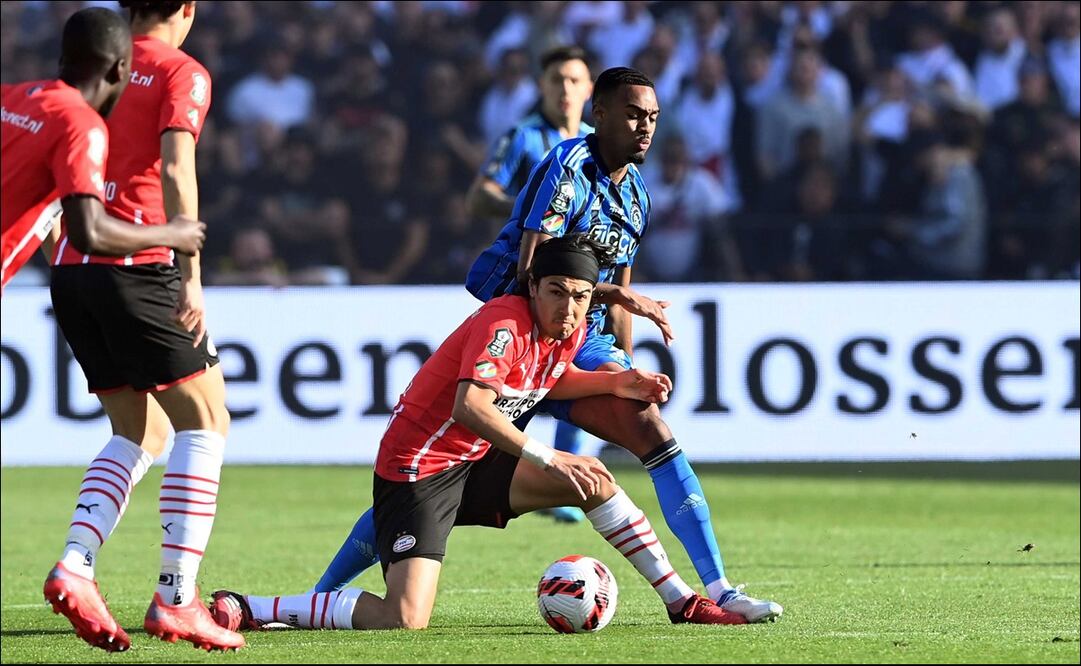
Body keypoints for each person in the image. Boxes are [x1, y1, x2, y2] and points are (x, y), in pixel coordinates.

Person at [312, 67, 783, 623]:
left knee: (650, 428)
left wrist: (624, 368)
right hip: (525, 337)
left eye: (653, 118)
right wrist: (609, 293)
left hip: (582, 342)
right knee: (435, 476)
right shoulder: (566, 167)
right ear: (599, 114)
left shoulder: (637, 194)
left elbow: (620, 294)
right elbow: (531, 270)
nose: (645, 127)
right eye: (633, 114)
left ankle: (717, 590)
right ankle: (322, 592)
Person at [210, 235, 747, 631]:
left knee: (596, 480)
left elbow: (548, 379)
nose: (568, 308)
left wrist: (618, 382)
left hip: (475, 461)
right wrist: (547, 456)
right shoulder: (504, 322)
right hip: (418, 467)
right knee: (405, 618)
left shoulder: (570, 327)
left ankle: (681, 601)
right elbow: (470, 406)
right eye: (557, 292)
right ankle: (253, 607)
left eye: (581, 297)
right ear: (533, 286)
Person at [42, 1, 243, 652]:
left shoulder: (99, 61)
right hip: (138, 264)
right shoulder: (182, 71)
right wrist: (191, 274)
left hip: (72, 267)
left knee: (141, 430)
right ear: (187, 8)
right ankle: (177, 597)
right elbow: (177, 168)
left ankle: (76, 563)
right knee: (206, 421)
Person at [466, 44, 595, 523]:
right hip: (527, 286)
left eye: (574, 80)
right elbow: (479, 196)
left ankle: (564, 483)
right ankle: (491, 474)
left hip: (580, 282)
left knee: (576, 374)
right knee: (513, 385)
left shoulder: (596, 144)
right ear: (541, 86)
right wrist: (530, 207)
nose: (565, 89)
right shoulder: (523, 136)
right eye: (556, 79)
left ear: (588, 89)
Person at [1, 8, 204, 292]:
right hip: (133, 273)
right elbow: (90, 231)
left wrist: (61, 265)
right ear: (120, 70)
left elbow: (47, 203)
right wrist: (173, 235)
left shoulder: (13, 98)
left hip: (70, 274)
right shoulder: (79, 124)